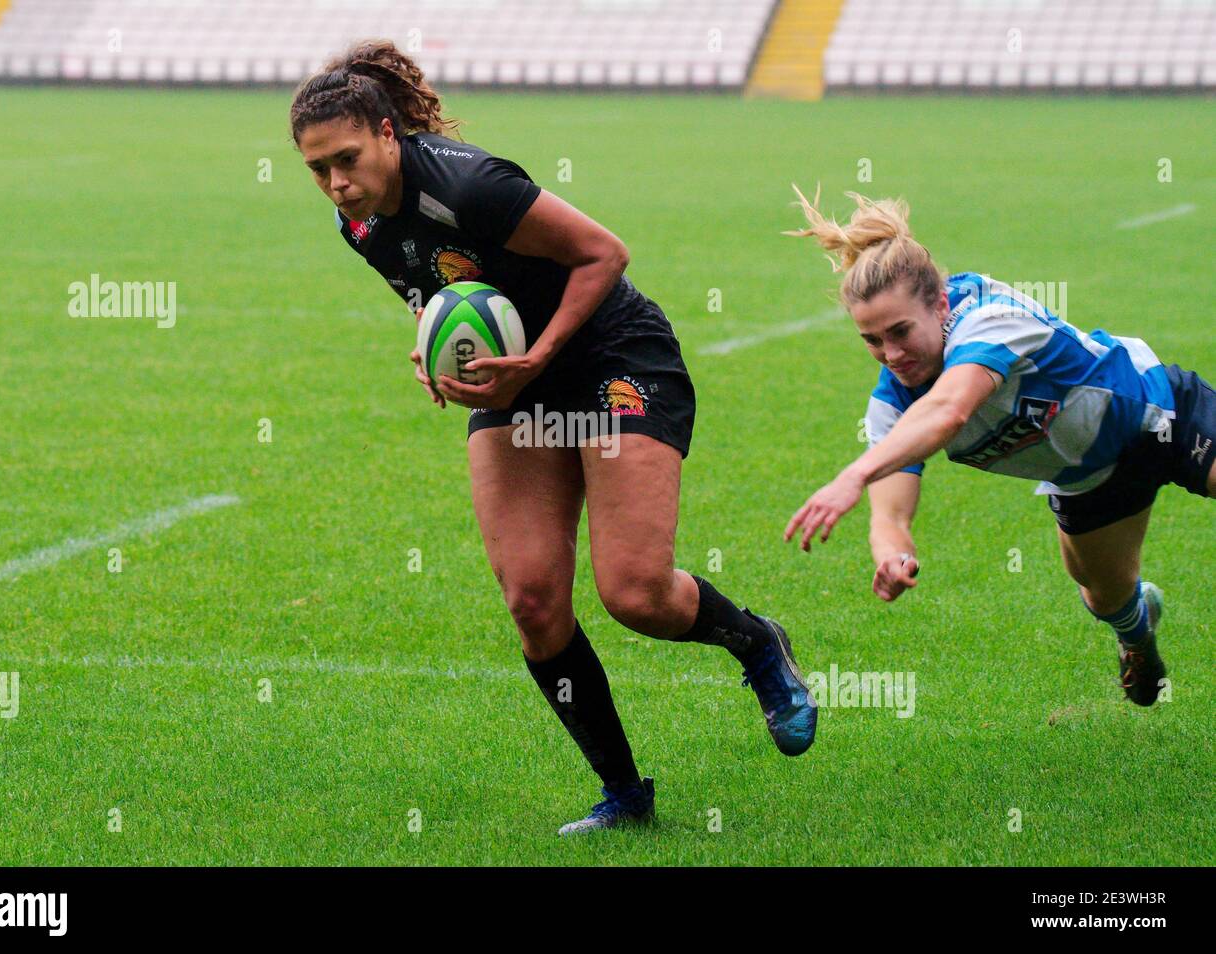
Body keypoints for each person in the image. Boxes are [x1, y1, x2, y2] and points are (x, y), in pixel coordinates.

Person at [291, 42, 817, 834]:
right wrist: (431, 347)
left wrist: (537, 355)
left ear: (389, 135)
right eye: (317, 169)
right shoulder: (357, 221)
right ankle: (624, 796)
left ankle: (757, 643)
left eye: (347, 159)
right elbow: (439, 291)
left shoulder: (470, 182)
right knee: (533, 601)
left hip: (613, 356)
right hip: (515, 380)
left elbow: (605, 253)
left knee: (634, 593)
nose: (336, 182)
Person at [783, 186, 1215, 706]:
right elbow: (890, 517)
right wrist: (894, 556)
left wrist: (852, 474)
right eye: (872, 341)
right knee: (1106, 597)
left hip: (1160, 414)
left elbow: (950, 409)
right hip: (1088, 478)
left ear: (941, 304)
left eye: (900, 332)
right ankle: (1138, 636)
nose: (890, 354)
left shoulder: (989, 313)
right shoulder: (893, 404)